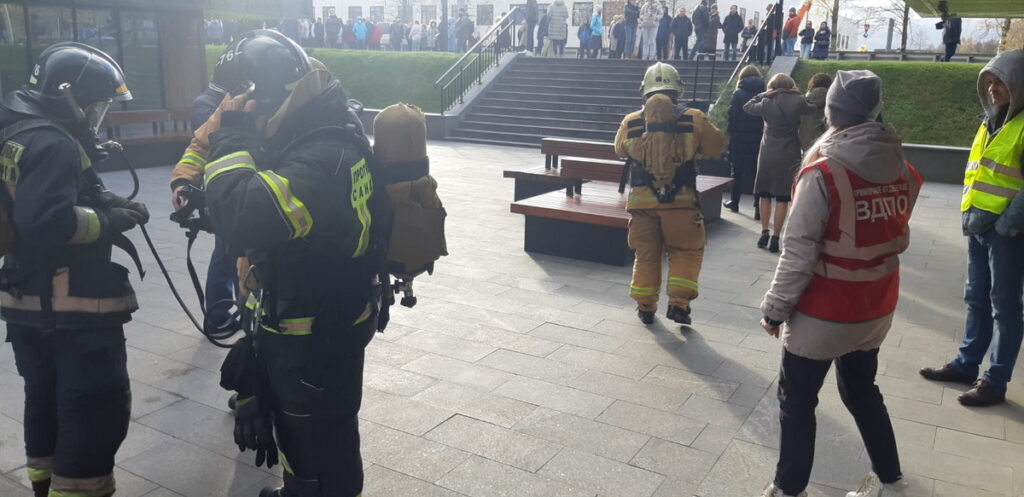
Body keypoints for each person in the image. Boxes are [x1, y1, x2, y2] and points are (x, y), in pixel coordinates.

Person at [194, 31, 384, 497]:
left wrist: (233, 134)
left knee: (313, 437)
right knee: (324, 436)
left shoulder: (320, 157)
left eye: (243, 103)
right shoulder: (324, 130)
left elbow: (244, 217)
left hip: (311, 336)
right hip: (326, 319)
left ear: (261, 98)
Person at [759, 69, 920, 497]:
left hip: (824, 313)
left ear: (830, 113)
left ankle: (788, 488)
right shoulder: (902, 168)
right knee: (863, 392)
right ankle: (892, 479)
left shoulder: (822, 174)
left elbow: (798, 252)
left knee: (797, 401)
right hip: (876, 307)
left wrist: (775, 309)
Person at [0, 42, 147, 497]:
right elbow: (46, 223)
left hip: (25, 299)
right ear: (68, 96)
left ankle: (43, 485)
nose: (96, 115)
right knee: (93, 409)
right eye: (94, 105)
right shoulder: (54, 142)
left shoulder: (19, 130)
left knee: (45, 400)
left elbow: (36, 195)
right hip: (71, 310)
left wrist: (106, 199)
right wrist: (107, 220)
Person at [920, 49, 1024, 407]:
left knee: (1005, 306)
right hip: (979, 223)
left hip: (1006, 232)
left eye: (1001, 82)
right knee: (976, 297)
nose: (993, 88)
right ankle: (966, 365)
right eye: (989, 82)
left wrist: (1007, 225)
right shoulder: (989, 121)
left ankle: (995, 381)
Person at [614, 63, 724, 327]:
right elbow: (716, 147)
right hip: (682, 204)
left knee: (646, 255)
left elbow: (619, 150)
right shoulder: (694, 118)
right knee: (685, 251)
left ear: (645, 90)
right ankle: (678, 304)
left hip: (641, 204)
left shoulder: (631, 121)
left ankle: (645, 307)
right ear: (677, 89)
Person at [743, 73, 816, 253]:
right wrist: (800, 94)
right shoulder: (798, 101)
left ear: (772, 86)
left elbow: (747, 107)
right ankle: (776, 236)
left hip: (768, 150)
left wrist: (763, 94)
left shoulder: (767, 101)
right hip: (790, 151)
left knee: (765, 193)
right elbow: (813, 107)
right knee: (783, 197)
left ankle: (764, 232)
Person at [725, 65, 766, 216]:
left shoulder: (738, 94)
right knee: (757, 173)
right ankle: (758, 208)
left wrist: (732, 131)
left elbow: (732, 116)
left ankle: (734, 203)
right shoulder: (764, 93)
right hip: (759, 137)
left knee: (737, 172)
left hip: (740, 138)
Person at [799, 72, 831, 150]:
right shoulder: (833, 99)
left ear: (813, 83)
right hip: (825, 142)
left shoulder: (803, 100)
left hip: (804, 142)